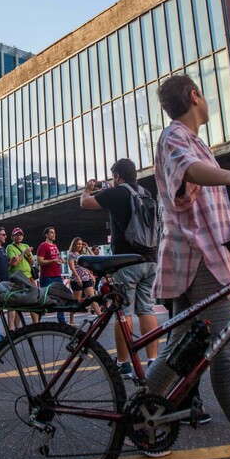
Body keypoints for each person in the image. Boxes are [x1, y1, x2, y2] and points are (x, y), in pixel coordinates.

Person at [144, 74, 230, 459]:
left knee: (178, 350)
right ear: (194, 96)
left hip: (204, 256)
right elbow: (190, 172)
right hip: (199, 257)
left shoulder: (197, 142)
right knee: (225, 352)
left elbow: (211, 198)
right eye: (204, 93)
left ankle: (138, 413)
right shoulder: (175, 136)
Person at [79, 157, 159, 377]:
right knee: (147, 309)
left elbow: (85, 203)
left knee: (124, 312)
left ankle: (123, 364)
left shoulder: (117, 193)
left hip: (126, 261)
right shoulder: (145, 193)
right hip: (150, 259)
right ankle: (153, 362)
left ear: (117, 176)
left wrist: (88, 189)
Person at [5, 227, 40, 327]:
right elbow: (14, 263)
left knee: (34, 301)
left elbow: (32, 262)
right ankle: (17, 328)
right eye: (16, 235)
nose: (19, 237)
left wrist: (28, 254)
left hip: (29, 277)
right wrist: (24, 252)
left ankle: (36, 325)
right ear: (12, 237)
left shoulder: (26, 246)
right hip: (17, 278)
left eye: (20, 235)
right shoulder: (10, 247)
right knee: (18, 303)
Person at [36, 226, 68, 324]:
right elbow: (40, 261)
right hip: (47, 277)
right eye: (51, 232)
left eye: (54, 232)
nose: (54, 234)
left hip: (57, 275)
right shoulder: (43, 246)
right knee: (45, 300)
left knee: (61, 298)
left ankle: (62, 321)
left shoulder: (55, 246)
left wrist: (60, 260)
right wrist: (52, 261)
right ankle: (37, 321)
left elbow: (56, 258)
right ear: (46, 235)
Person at [66, 237, 100, 320]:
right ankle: (71, 319)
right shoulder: (71, 254)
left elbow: (94, 258)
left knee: (93, 298)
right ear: (74, 244)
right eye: (78, 244)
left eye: (81, 244)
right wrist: (78, 278)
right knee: (76, 301)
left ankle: (100, 316)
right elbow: (72, 268)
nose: (80, 246)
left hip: (86, 279)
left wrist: (87, 247)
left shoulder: (83, 254)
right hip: (76, 280)